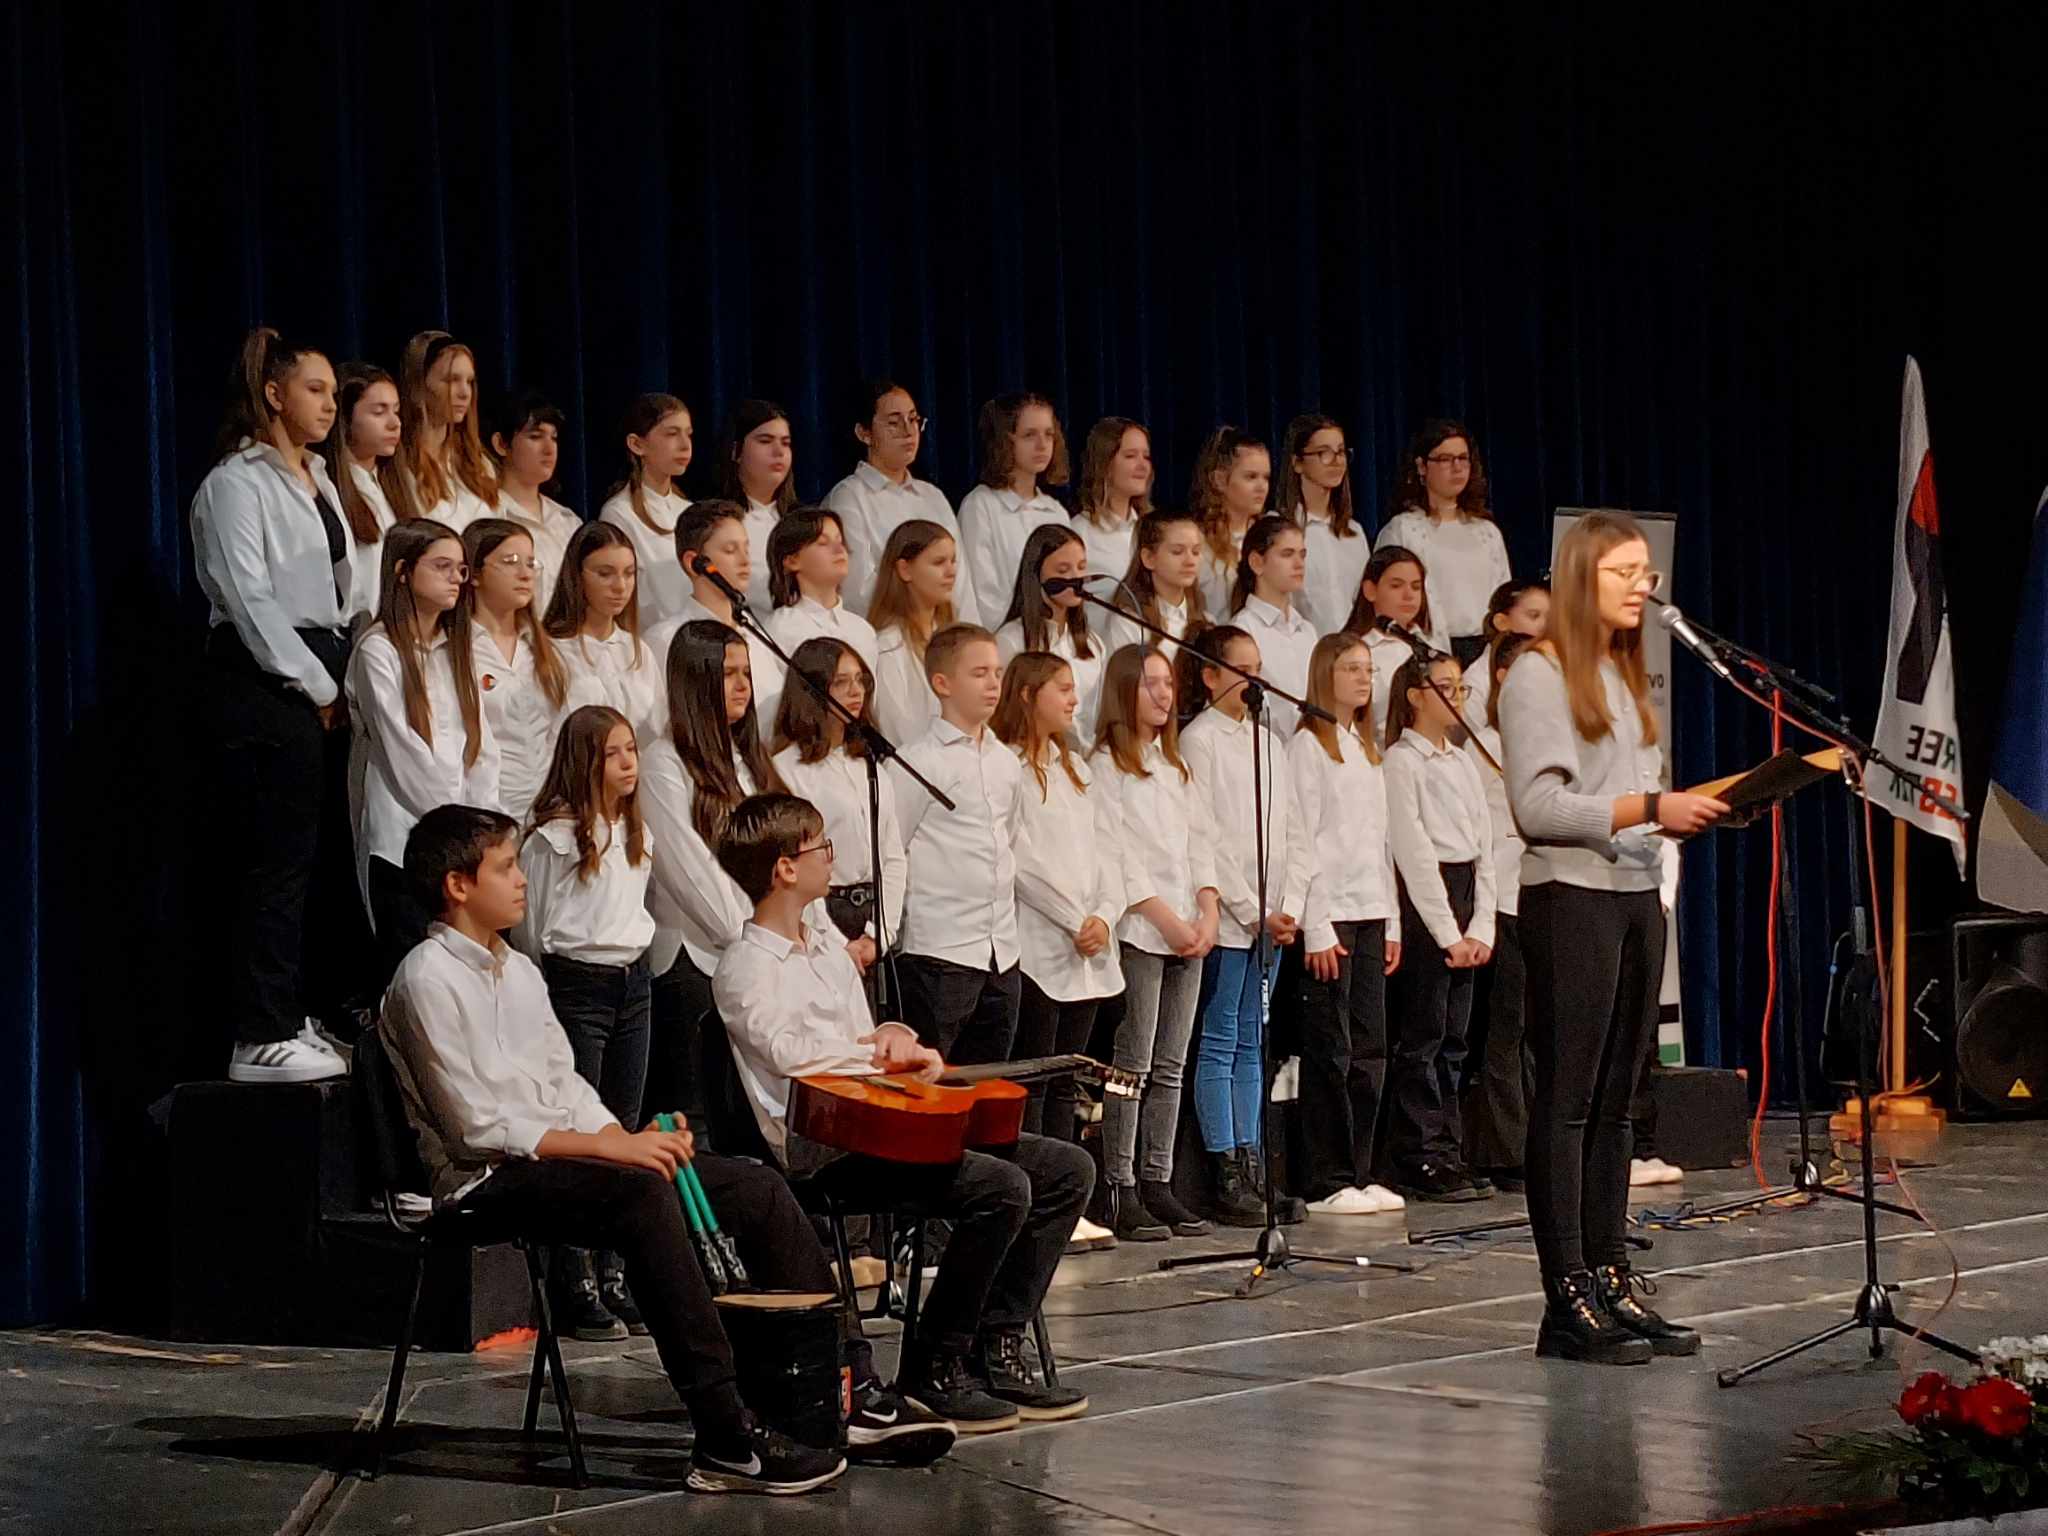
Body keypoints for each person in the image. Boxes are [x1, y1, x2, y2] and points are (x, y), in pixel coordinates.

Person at [378, 804, 856, 1493]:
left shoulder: (518, 970)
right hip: (481, 1180)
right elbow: (477, 1130)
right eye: (507, 868)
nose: (522, 880)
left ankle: (835, 1388)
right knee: (641, 1195)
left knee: (754, 1188)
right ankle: (725, 1436)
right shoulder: (426, 977)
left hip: (557, 1159)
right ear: (458, 885)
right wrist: (616, 1155)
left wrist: (629, 1139)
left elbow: (565, 1085)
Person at [711, 792, 1093, 1431]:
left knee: (1066, 1169)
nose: (832, 859)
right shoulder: (744, 967)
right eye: (820, 847)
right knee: (1000, 1187)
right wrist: (877, 1055)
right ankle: (935, 1364)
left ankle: (995, 1341)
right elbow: (787, 1052)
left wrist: (894, 1035)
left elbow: (864, 1035)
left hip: (880, 1124)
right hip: (821, 1150)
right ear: (784, 868)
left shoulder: (826, 947)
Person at [1499, 511, 1723, 1364]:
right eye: (1624, 572)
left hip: (1633, 895)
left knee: (1620, 1103)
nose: (1642, 586)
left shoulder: (1622, 676)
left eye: (1646, 573)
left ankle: (1610, 1275)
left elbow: (1637, 795)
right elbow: (1540, 807)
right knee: (1568, 1100)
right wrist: (1650, 808)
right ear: (1578, 577)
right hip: (1571, 898)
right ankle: (1565, 1297)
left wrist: (1686, 813)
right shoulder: (1538, 674)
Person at [191, 327, 356, 1084]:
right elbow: (247, 599)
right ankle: (257, 1032)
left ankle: (295, 1012)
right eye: (315, 390)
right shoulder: (236, 482)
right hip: (265, 676)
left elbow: (341, 583)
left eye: (333, 393)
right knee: (275, 860)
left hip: (323, 660)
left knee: (318, 860)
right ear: (273, 394)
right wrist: (315, 685)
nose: (329, 404)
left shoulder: (318, 476)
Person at [509, 705, 656, 1340]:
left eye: (631, 750)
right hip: (577, 985)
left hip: (634, 983)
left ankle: (614, 1271)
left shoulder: (634, 830)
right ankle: (574, 1281)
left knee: (622, 1127)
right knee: (580, 1129)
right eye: (612, 754)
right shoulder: (553, 839)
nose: (628, 763)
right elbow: (530, 928)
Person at [1179, 624, 1313, 1228]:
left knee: (1254, 1041)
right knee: (1221, 1036)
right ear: (1211, 676)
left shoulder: (1271, 743)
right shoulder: (1201, 741)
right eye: (1242, 669)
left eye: (1260, 668)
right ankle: (1225, 1167)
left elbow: (1294, 832)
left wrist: (1290, 907)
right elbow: (1205, 836)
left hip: (1271, 923)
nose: (1254, 680)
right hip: (1234, 922)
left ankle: (1256, 1163)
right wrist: (1249, 908)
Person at [1089, 645, 1221, 1242]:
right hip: (1142, 930)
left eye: (1168, 683)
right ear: (1124, 691)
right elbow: (1116, 853)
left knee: (1171, 1063)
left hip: (1188, 931)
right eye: (1150, 684)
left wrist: (1207, 910)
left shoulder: (1176, 767)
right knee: (1132, 1064)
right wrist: (1164, 918)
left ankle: (1158, 1177)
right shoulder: (1106, 767)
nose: (1164, 694)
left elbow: (1201, 844)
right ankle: (1119, 1184)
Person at [635, 619, 789, 1126]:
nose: (743, 685)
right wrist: (755, 937)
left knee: (749, 1119)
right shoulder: (663, 763)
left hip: (755, 956)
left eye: (746, 673)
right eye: (728, 674)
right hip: (694, 962)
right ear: (695, 681)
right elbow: (691, 871)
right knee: (696, 1119)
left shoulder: (750, 761)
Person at [346, 520, 500, 979]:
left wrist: (484, 828)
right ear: (403, 572)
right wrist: (455, 829)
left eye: (461, 569)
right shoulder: (378, 651)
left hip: (461, 846)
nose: (457, 578)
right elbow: (403, 753)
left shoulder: (457, 649)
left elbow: (481, 747)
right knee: (415, 978)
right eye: (441, 566)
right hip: (404, 844)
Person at [1286, 633, 1405, 1215]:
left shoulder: (1365, 747)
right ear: (1325, 676)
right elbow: (1302, 838)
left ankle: (1361, 1169)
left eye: (1368, 670)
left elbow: (1381, 842)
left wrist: (1393, 920)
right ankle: (1327, 1177)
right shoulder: (1309, 747)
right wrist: (1316, 924)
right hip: (1331, 915)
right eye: (1352, 668)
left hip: (1370, 910)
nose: (1364, 679)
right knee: (1330, 1050)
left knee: (1370, 1049)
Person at [990, 653, 1124, 1162]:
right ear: (1028, 695)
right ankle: (1037, 1182)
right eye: (1062, 689)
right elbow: (1019, 860)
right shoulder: (1009, 768)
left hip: (1087, 946)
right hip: (1040, 946)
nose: (1074, 700)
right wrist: (1074, 920)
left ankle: (1069, 1181)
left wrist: (1104, 917)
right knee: (1036, 1080)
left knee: (1068, 1080)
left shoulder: (1076, 769)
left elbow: (1108, 849)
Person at [1380, 652, 1495, 1203]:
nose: (1456, 697)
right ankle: (1419, 1152)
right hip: (1428, 903)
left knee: (1455, 1037)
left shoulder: (1464, 761)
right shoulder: (1402, 762)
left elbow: (1485, 846)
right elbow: (1414, 851)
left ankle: (1450, 1145)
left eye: (1460, 687)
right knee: (1423, 1036)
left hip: (1465, 895)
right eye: (1445, 687)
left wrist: (1483, 926)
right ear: (1415, 696)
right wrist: (1449, 934)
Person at [887, 625, 1024, 1067]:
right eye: (979, 673)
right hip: (940, 952)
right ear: (942, 683)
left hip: (1000, 953)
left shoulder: (1006, 761)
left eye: (997, 673)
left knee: (988, 1083)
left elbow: (1008, 836)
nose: (993, 684)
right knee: (930, 1081)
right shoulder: (916, 761)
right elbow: (892, 848)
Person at [769, 638, 907, 1002]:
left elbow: (892, 856)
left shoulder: (870, 765)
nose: (856, 691)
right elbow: (796, 870)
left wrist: (879, 935)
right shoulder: (788, 770)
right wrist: (834, 943)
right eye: (841, 682)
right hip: (822, 916)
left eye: (860, 680)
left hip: (872, 916)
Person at [825, 378, 975, 623]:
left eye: (914, 419)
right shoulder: (849, 497)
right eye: (894, 423)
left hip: (945, 635)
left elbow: (962, 583)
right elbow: (857, 590)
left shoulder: (932, 496)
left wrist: (966, 634)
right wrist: (914, 625)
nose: (908, 431)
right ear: (864, 433)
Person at [644, 499, 787, 734]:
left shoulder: (754, 633)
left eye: (746, 549)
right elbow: (660, 724)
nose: (745, 560)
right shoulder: (665, 639)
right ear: (694, 563)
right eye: (730, 550)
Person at [1377, 420, 1513, 667]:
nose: (1457, 467)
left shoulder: (1487, 532)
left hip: (1484, 653)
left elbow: (1503, 598)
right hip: (1429, 651)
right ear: (1422, 466)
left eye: (1463, 458)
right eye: (1445, 459)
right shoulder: (1404, 529)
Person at [465, 517, 576, 818]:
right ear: (475, 573)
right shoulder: (458, 652)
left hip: (546, 812)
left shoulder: (541, 648)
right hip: (487, 812)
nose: (525, 574)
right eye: (510, 562)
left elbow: (557, 732)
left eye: (530, 563)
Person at [543, 520, 663, 747]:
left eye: (629, 574)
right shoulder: (551, 650)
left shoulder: (637, 651)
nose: (620, 586)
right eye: (605, 574)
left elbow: (657, 729)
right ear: (577, 575)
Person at [956, 393, 1071, 627]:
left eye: (1049, 434)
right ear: (1005, 441)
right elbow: (982, 595)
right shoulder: (980, 506)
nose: (1042, 445)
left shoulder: (1056, 512)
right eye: (1029, 435)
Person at [318, 361, 415, 627]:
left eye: (396, 411)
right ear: (345, 419)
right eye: (378, 412)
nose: (395, 423)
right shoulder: (328, 490)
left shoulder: (393, 488)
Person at [994, 522, 1106, 744]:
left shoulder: (1093, 644)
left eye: (1081, 567)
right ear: (1037, 574)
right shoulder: (1011, 641)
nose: (1076, 578)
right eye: (1063, 570)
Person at [597, 393, 694, 627]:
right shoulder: (619, 514)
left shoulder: (690, 511)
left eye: (688, 434)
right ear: (637, 444)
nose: (685, 445)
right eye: (672, 434)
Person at [864, 518, 960, 747]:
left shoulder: (954, 639)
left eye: (953, 561)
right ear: (905, 569)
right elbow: (898, 733)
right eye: (939, 562)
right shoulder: (888, 647)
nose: (952, 572)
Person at [487, 391, 583, 604]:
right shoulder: (489, 515)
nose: (549, 449)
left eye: (554, 438)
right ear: (501, 444)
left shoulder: (568, 521)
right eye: (535, 437)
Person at [397, 330, 498, 529]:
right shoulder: (401, 467)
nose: (465, 393)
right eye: (452, 380)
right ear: (419, 386)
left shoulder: (478, 465)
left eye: (469, 382)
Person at [1226, 515, 1318, 734]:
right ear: (1257, 562)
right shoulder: (1243, 630)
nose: (1299, 564)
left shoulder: (1307, 631)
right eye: (1287, 554)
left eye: (1302, 555)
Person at [1345, 544, 1443, 748]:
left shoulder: (1428, 646)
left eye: (1416, 587)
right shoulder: (1357, 650)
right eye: (1396, 586)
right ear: (1370, 590)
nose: (1409, 595)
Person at [1278, 413, 1368, 634]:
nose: (1336, 461)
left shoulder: (1354, 532)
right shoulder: (1279, 529)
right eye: (1324, 453)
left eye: (1341, 452)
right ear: (1297, 462)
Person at [764, 506, 880, 673]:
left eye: (840, 541)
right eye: (823, 543)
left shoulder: (863, 630)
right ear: (792, 561)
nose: (839, 550)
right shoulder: (779, 629)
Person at [720, 399, 796, 613]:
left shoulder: (803, 521)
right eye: (765, 441)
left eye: (786, 443)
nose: (779, 452)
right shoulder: (716, 522)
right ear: (736, 451)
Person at [1189, 426, 1271, 622]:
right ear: (1219, 480)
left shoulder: (1271, 536)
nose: (1262, 487)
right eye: (1251, 477)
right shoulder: (1197, 543)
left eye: (1266, 477)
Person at [1104, 510, 1208, 661]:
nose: (1190, 561)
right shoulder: (1129, 624)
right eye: (1177, 552)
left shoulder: (1204, 618)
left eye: (1196, 552)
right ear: (1148, 558)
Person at [1072, 417, 1152, 588]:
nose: (1143, 466)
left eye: (1146, 457)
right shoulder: (1079, 532)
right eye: (1130, 456)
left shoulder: (1152, 529)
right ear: (1105, 464)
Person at [1464, 577, 1551, 729]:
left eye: (1550, 617)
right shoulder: (1476, 682)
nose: (1545, 625)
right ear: (1501, 622)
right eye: (1534, 616)